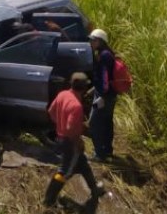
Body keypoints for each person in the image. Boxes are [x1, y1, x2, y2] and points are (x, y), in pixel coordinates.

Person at [43, 72, 105, 207]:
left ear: (71, 84)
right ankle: (49, 200)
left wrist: (61, 123)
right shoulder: (76, 106)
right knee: (64, 172)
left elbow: (51, 112)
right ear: (84, 88)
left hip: (61, 138)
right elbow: (70, 129)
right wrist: (78, 142)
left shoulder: (63, 94)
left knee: (83, 164)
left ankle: (95, 189)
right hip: (69, 144)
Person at [88, 28, 117, 161]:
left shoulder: (104, 56)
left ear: (100, 41)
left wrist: (102, 96)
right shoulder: (107, 53)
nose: (91, 42)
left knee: (94, 123)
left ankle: (99, 154)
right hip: (109, 95)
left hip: (104, 95)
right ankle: (107, 151)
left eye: (93, 40)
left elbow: (104, 77)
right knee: (106, 122)